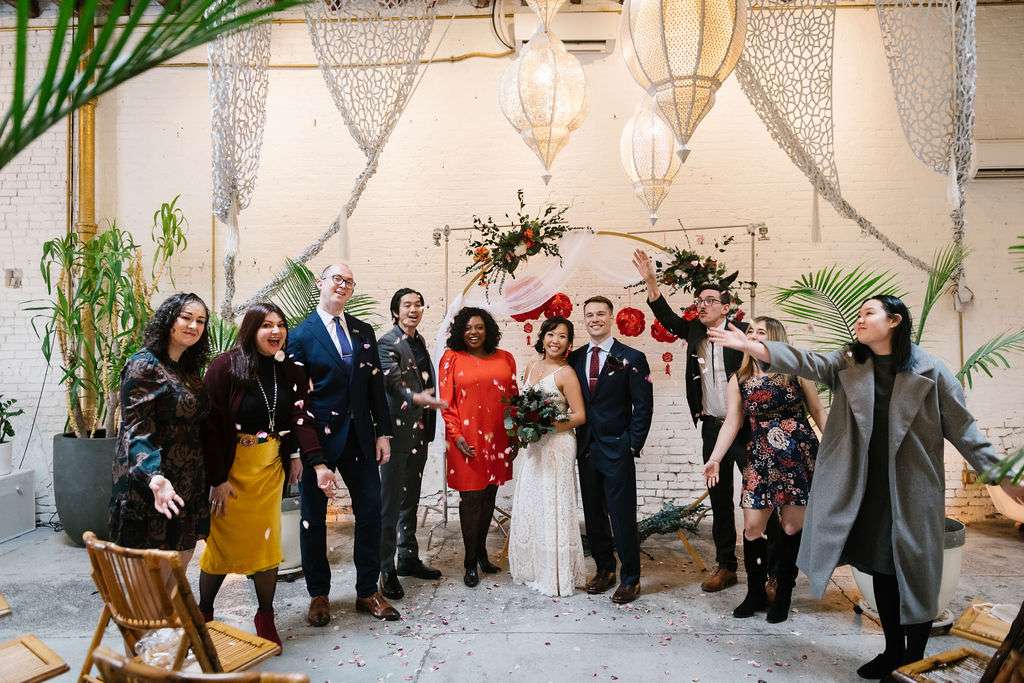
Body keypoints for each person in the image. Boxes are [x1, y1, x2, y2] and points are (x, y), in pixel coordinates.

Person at [708, 295, 1024, 679]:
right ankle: (893, 652)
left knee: (917, 573)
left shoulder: (933, 372)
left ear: (894, 321)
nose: (859, 320)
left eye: (868, 313)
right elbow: (807, 361)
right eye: (857, 313)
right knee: (882, 568)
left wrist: (1003, 476)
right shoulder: (849, 364)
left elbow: (966, 431)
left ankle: (914, 659)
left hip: (913, 489)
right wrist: (754, 347)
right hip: (868, 487)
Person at [632, 248, 781, 594]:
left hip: (748, 428)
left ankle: (773, 571)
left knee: (760, 497)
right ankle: (726, 565)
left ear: (726, 307)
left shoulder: (744, 334)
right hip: (713, 426)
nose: (702, 305)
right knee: (719, 498)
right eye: (699, 301)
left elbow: (772, 361)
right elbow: (667, 317)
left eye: (710, 301)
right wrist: (651, 282)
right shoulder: (696, 332)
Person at [198, 303, 323, 648]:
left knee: (268, 544)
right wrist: (217, 478)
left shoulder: (290, 369)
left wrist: (295, 455)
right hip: (231, 469)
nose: (276, 331)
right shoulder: (225, 366)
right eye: (267, 325)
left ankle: (265, 615)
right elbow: (209, 427)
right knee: (221, 546)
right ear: (251, 329)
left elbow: (297, 417)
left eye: (281, 325)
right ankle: (204, 612)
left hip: (269, 469)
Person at [288, 263, 399, 624]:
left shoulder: (363, 330)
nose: (343, 285)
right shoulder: (300, 335)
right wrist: (302, 451)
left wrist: (383, 433)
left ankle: (367, 591)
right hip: (318, 441)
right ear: (320, 283)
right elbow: (297, 399)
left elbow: (375, 387)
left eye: (349, 282)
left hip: (361, 438)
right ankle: (319, 594)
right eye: (337, 278)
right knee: (313, 518)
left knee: (370, 512)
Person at [703, 317, 827, 623]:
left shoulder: (797, 371)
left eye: (761, 332)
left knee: (791, 527)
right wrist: (716, 457)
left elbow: (817, 411)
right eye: (751, 331)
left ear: (775, 338)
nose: (753, 335)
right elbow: (733, 422)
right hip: (760, 457)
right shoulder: (740, 378)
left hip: (798, 455)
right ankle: (755, 593)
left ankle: (783, 594)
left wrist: (837, 451)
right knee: (752, 528)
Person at [109, 292, 211, 564]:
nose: (194, 326)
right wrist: (154, 476)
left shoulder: (188, 369)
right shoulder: (143, 364)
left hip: (187, 482)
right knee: (151, 580)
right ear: (169, 320)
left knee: (177, 574)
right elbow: (136, 429)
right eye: (186, 318)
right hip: (153, 484)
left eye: (201, 321)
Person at [567, 296, 653, 604]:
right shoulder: (575, 358)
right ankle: (604, 569)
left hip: (618, 448)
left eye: (600, 314)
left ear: (612, 317)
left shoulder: (631, 357)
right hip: (586, 448)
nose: (595, 319)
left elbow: (643, 405)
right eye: (589, 314)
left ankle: (631, 578)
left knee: (621, 515)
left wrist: (632, 443)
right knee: (593, 515)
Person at [508, 316, 588, 597]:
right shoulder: (531, 366)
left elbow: (579, 415)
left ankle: (555, 574)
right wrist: (522, 423)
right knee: (533, 502)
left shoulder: (566, 374)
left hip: (558, 445)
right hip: (535, 445)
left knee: (553, 504)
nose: (556, 340)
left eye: (563, 336)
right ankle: (533, 567)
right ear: (542, 338)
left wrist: (545, 425)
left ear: (569, 344)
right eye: (551, 334)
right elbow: (522, 404)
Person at [438, 307, 518, 588]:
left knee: (489, 496)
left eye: (479, 327)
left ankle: (482, 552)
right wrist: (456, 435)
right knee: (471, 499)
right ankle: (470, 561)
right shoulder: (451, 358)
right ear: (460, 331)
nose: (473, 332)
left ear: (488, 330)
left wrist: (514, 433)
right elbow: (446, 403)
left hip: (499, 437)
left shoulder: (505, 358)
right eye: (468, 328)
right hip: (466, 439)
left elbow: (514, 398)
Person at [376, 288, 447, 600]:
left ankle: (407, 557)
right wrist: (417, 397)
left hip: (419, 432)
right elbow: (393, 382)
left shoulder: (419, 341)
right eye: (407, 305)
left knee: (410, 499)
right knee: (390, 503)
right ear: (396, 311)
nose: (414, 309)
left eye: (418, 304)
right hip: (394, 434)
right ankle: (386, 570)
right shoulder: (387, 343)